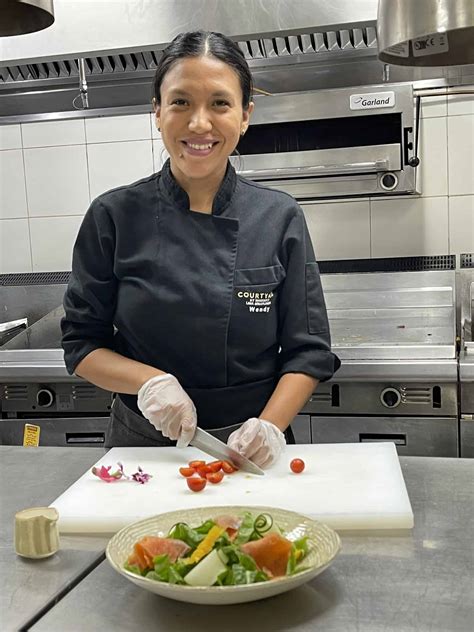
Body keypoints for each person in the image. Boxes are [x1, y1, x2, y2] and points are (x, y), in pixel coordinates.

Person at [61, 30, 340, 469]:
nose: (199, 124)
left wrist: (270, 426)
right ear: (157, 112)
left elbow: (309, 352)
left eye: (220, 103)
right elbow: (81, 344)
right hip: (144, 449)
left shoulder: (279, 216)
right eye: (180, 102)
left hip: (251, 449)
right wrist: (149, 382)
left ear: (245, 116)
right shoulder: (112, 216)